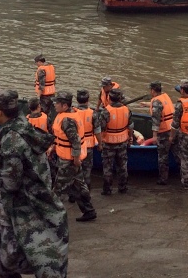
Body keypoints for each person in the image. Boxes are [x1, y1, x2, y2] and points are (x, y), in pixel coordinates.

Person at [0, 91, 69, 277]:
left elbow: (10, 184)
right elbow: (27, 162)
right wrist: (1, 163)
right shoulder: (26, 128)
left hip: (21, 209)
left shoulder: (11, 140)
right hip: (39, 201)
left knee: (6, 258)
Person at [47, 91, 97, 222]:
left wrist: (76, 159)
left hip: (68, 161)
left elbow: (75, 142)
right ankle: (89, 211)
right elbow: (62, 137)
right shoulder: (69, 114)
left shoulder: (67, 120)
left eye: (57, 103)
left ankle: (51, 216)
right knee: (78, 186)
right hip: (68, 158)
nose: (54, 105)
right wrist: (53, 147)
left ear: (64, 106)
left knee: (58, 189)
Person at [97, 88, 133, 195]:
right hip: (122, 142)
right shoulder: (127, 110)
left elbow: (101, 128)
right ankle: (123, 188)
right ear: (120, 98)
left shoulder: (105, 112)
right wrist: (130, 137)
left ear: (109, 98)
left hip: (109, 143)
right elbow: (130, 126)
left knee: (107, 168)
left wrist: (100, 143)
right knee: (122, 166)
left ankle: (107, 190)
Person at [148, 81, 175, 185]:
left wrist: (154, 136)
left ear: (152, 90)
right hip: (173, 129)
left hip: (164, 132)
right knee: (178, 154)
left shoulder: (156, 102)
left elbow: (156, 120)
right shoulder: (165, 96)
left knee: (163, 156)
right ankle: (187, 176)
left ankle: (163, 179)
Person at [74, 89, 100, 189]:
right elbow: (97, 131)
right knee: (87, 170)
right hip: (88, 146)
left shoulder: (72, 113)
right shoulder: (93, 113)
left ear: (77, 100)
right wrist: (101, 144)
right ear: (88, 100)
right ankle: (87, 190)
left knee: (75, 170)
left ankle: (75, 192)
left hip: (75, 146)